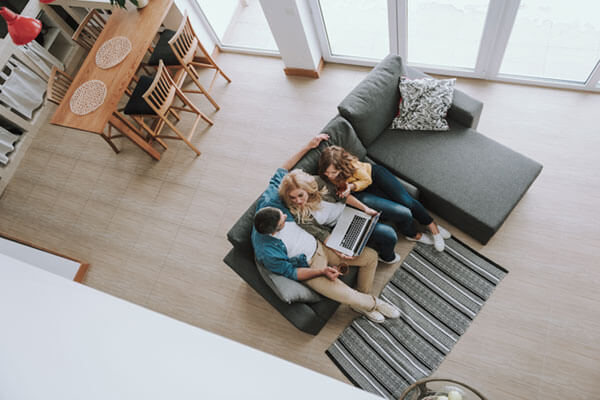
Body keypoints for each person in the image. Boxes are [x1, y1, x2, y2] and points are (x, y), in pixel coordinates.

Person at [251, 134, 400, 323]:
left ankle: (362, 304)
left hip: (321, 247)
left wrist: (309, 145)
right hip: (309, 266)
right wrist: (321, 272)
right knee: (346, 293)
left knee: (370, 257)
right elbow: (292, 273)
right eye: (283, 220)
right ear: (274, 232)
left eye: (282, 213)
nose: (287, 213)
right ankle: (371, 304)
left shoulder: (271, 201)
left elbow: (283, 169)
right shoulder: (267, 252)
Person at [318, 145, 451, 252]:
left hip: (373, 176)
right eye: (327, 172)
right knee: (398, 210)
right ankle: (412, 235)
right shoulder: (326, 177)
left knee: (406, 201)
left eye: (333, 172)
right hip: (361, 193)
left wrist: (351, 186)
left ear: (342, 167)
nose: (330, 176)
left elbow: (367, 179)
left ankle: (433, 228)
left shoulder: (351, 164)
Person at [278, 168, 401, 264]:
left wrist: (365, 209)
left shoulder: (318, 183)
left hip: (352, 203)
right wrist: (337, 250)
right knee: (389, 234)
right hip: (342, 225)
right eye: (292, 198)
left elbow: (342, 196)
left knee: (401, 213)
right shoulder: (298, 215)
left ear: (307, 189)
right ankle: (387, 257)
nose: (298, 201)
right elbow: (321, 233)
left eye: (300, 195)